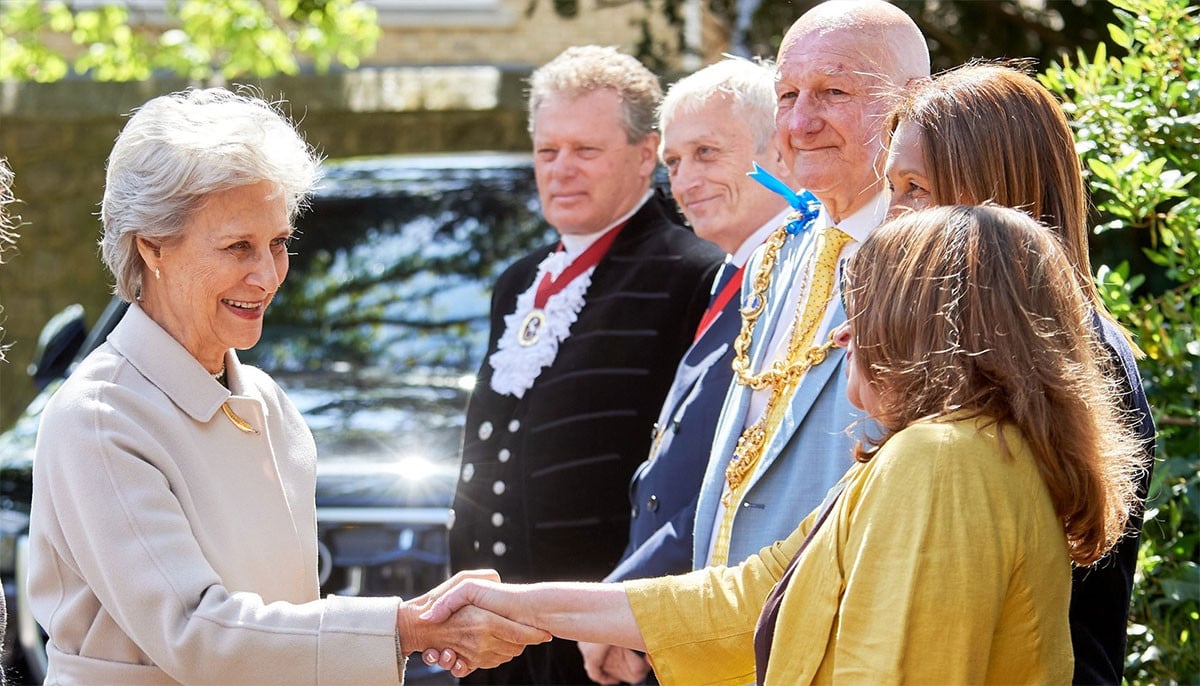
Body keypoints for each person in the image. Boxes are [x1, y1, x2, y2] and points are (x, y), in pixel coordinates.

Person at [423, 204, 1145, 684]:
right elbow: (740, 599)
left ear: (923, 330)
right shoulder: (957, 451)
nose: (839, 337)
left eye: (860, 311)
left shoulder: (943, 462)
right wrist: (520, 607)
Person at [25, 87, 549, 684]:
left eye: (278, 243)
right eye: (237, 247)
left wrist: (425, 620)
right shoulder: (98, 417)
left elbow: (283, 630)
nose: (268, 274)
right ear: (151, 246)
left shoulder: (269, 406)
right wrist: (405, 627)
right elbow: (197, 633)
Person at [448, 46, 725, 684]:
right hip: (496, 644)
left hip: (603, 648)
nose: (562, 170)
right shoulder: (518, 281)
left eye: (586, 150)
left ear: (645, 152)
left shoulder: (692, 272)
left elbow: (691, 474)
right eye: (548, 152)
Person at [882, 61, 1157, 684]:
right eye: (891, 188)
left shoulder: (1081, 356)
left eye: (917, 189)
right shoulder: (967, 343)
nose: (892, 216)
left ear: (994, 194)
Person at [691, 0, 930, 574]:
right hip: (725, 637)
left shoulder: (938, 272)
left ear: (913, 100)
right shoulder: (778, 253)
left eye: (834, 93)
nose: (800, 124)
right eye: (788, 96)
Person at [579, 56, 791, 685]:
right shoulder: (737, 274)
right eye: (673, 162)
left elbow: (729, 478)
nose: (685, 180)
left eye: (706, 153)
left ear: (777, 153)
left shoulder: (795, 281)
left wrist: (625, 604)